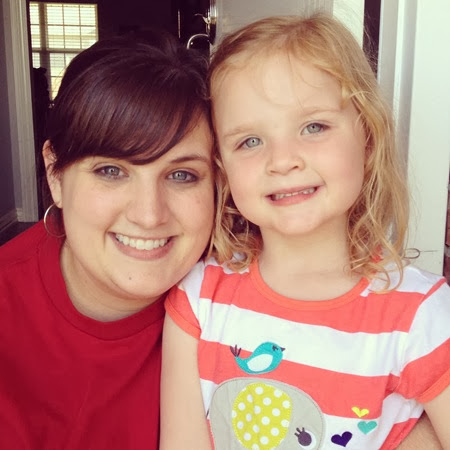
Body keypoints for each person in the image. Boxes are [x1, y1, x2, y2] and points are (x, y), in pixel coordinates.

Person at [161, 14, 450, 449]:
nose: (283, 160)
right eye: (250, 141)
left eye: (313, 127)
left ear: (367, 138)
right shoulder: (200, 297)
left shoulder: (420, 316)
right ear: (223, 169)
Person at [0, 32, 215, 449]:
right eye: (111, 171)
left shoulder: (248, 312)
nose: (149, 215)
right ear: (55, 175)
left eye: (182, 175)